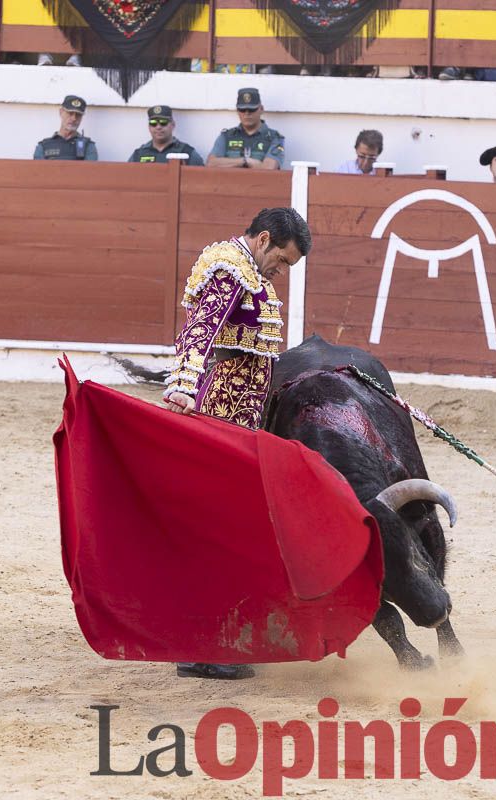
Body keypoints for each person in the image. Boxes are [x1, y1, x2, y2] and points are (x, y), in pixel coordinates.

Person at [162, 206, 311, 680]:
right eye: (282, 261)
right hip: (221, 411)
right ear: (264, 238)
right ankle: (204, 646)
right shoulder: (231, 270)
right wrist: (184, 384)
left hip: (238, 415)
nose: (281, 272)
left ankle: (206, 640)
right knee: (219, 529)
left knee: (224, 528)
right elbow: (200, 330)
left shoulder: (245, 268)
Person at [207, 88, 285, 170]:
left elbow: (269, 168)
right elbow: (211, 163)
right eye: (242, 109)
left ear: (261, 109)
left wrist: (229, 163)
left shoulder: (275, 138)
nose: (247, 113)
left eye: (252, 109)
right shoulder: (226, 136)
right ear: (237, 111)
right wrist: (245, 161)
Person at [127, 105, 204, 165]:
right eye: (153, 123)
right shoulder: (139, 154)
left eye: (163, 122)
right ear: (149, 127)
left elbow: (203, 178)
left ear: (173, 125)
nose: (158, 127)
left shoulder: (186, 152)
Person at [33, 95, 98, 161]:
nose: (74, 118)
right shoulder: (43, 146)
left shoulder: (88, 147)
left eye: (78, 115)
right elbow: (39, 170)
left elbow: (89, 170)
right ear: (61, 112)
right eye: (70, 113)